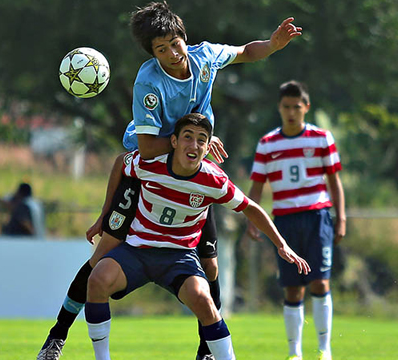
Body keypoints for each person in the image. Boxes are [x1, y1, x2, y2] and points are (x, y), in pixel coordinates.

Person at [38, 3, 303, 360]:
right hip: (150, 168)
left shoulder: (206, 57)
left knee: (210, 267)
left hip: (189, 168)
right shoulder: (148, 81)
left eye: (174, 44)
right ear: (152, 54)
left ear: (184, 39)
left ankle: (206, 351)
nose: (171, 54)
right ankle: (57, 336)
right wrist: (195, 142)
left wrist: (271, 45)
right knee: (100, 259)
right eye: (160, 50)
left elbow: (244, 52)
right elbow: (144, 149)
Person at [86, 113, 309, 360]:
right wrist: (104, 215)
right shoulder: (149, 163)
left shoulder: (213, 180)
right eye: (188, 137)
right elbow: (121, 163)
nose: (194, 145)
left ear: (207, 148)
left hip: (179, 256)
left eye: (202, 140)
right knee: (97, 279)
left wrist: (282, 245)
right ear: (174, 142)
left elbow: (250, 208)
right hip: (137, 250)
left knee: (204, 300)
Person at [246, 81, 346, 360]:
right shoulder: (267, 144)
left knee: (320, 282)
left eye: (296, 107)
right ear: (280, 108)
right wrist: (251, 220)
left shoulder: (321, 138)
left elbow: (334, 181)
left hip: (317, 217)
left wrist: (341, 218)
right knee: (292, 286)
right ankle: (294, 353)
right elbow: (257, 186)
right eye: (286, 107)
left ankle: (324, 350)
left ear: (306, 108)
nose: (291, 112)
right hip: (285, 221)